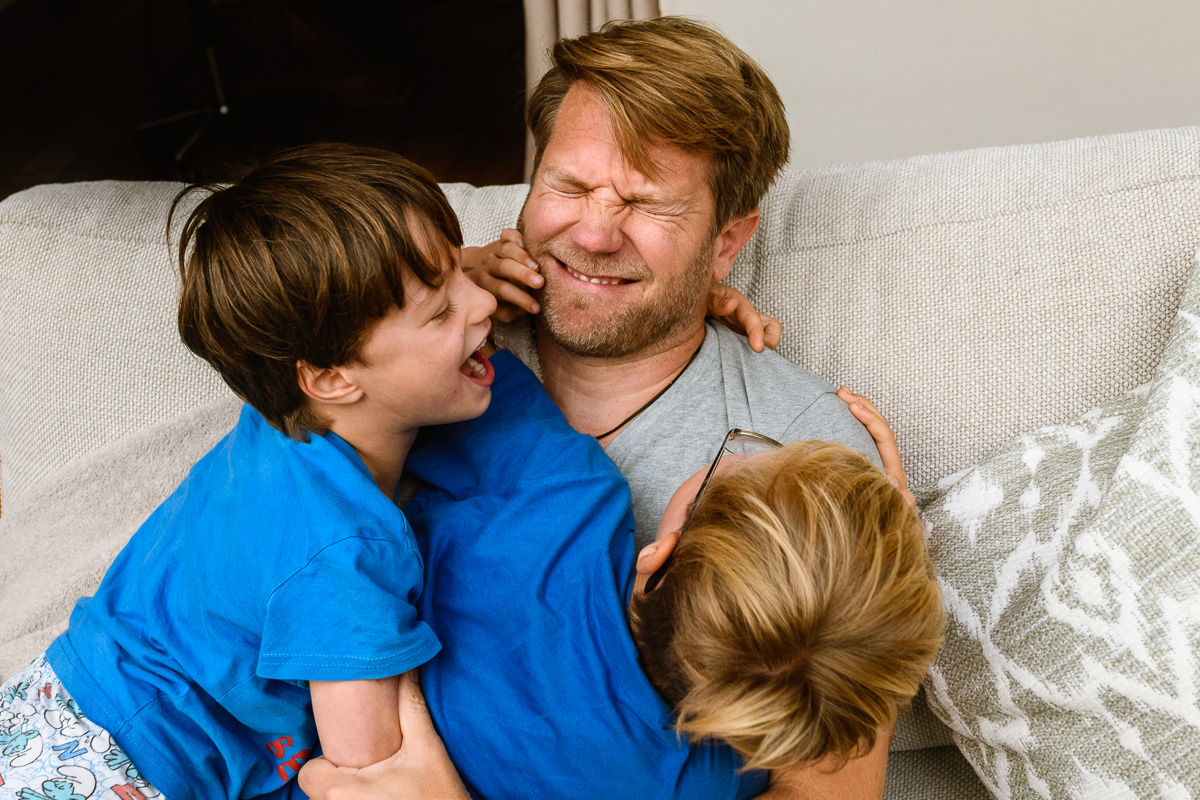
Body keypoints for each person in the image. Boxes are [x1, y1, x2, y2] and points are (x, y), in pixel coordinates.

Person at [0, 143, 501, 798]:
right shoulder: (348, 561)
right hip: (118, 773)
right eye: (441, 309)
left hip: (39, 708)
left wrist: (463, 270)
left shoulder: (277, 412)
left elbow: (357, 301)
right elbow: (366, 778)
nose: (483, 302)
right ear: (328, 376)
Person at [299, 350, 943, 800]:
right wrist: (873, 586)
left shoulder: (562, 495)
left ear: (656, 561)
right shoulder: (713, 783)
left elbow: (426, 371)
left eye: (740, 456)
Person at [464, 16, 909, 554]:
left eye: (647, 204)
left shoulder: (801, 455)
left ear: (726, 242)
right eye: (571, 186)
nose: (594, 235)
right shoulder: (438, 334)